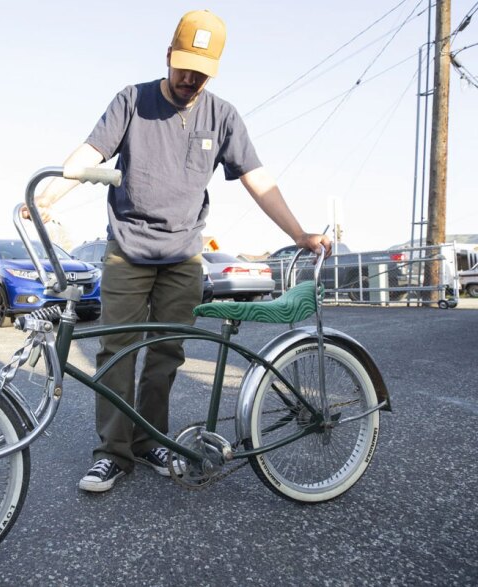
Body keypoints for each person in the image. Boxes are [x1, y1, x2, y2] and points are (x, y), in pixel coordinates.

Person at [28, 9, 332, 493]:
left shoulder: (223, 116)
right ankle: (113, 453)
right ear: (169, 56)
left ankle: (149, 442)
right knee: (116, 351)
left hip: (183, 256)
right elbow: (89, 154)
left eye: (202, 71)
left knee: (167, 352)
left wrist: (299, 234)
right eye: (184, 65)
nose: (191, 78)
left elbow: (258, 180)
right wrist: (48, 195)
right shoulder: (133, 100)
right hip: (127, 250)